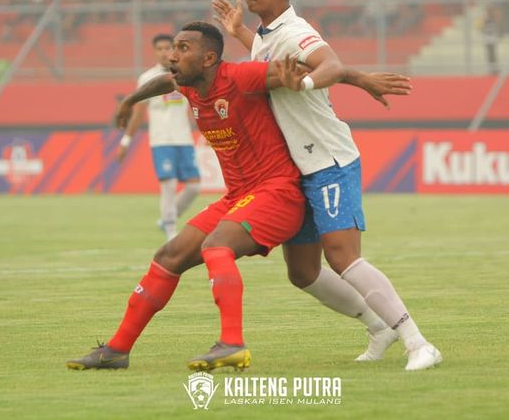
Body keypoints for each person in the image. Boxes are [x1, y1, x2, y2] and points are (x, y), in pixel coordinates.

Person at [66, 22, 407, 372]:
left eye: (183, 49)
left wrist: (360, 78)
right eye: (174, 49)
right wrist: (131, 99)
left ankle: (232, 343)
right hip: (240, 195)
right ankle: (117, 350)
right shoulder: (189, 82)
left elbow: (310, 68)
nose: (172, 56)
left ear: (209, 58)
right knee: (169, 255)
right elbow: (163, 81)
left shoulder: (242, 78)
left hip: (278, 192)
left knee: (217, 246)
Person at [212, 0, 442, 370]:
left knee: (343, 257)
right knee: (302, 272)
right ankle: (379, 325)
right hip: (295, 171)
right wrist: (241, 32)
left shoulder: (296, 30)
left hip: (328, 161)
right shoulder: (268, 34)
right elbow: (270, 55)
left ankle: (418, 342)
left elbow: (329, 63)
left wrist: (304, 82)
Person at [118, 33, 201, 240]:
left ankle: (167, 219)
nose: (165, 52)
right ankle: (171, 233)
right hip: (161, 140)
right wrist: (126, 140)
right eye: (160, 49)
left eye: (168, 48)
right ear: (155, 52)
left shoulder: (185, 75)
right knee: (169, 185)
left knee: (194, 186)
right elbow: (138, 113)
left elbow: (194, 106)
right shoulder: (147, 79)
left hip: (184, 139)